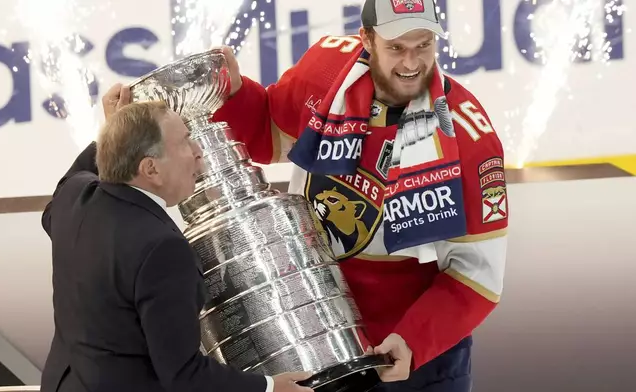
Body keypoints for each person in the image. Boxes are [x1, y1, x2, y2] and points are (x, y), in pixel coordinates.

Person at [209, 1, 510, 390]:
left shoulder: (469, 139)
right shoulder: (326, 72)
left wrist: (414, 341)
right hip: (315, 337)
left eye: (423, 45)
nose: (411, 63)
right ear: (366, 38)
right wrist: (234, 93)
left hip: (413, 357)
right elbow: (271, 133)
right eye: (397, 47)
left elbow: (476, 277)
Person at [40, 94, 314, 392]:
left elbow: (65, 191)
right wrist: (270, 387)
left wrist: (115, 132)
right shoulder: (161, 249)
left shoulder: (74, 199)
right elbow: (184, 375)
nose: (198, 153)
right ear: (150, 169)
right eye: (185, 142)